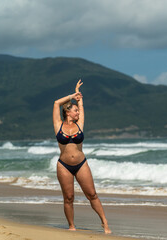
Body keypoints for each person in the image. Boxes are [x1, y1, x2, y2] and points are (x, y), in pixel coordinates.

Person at [53, 79, 111, 234]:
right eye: (75, 110)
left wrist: (79, 98)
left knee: (92, 194)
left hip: (81, 164)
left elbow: (81, 106)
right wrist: (72, 95)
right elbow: (56, 103)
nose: (78, 112)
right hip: (64, 165)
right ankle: (71, 226)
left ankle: (105, 223)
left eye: (78, 110)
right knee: (69, 198)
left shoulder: (80, 124)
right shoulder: (58, 124)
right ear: (67, 111)